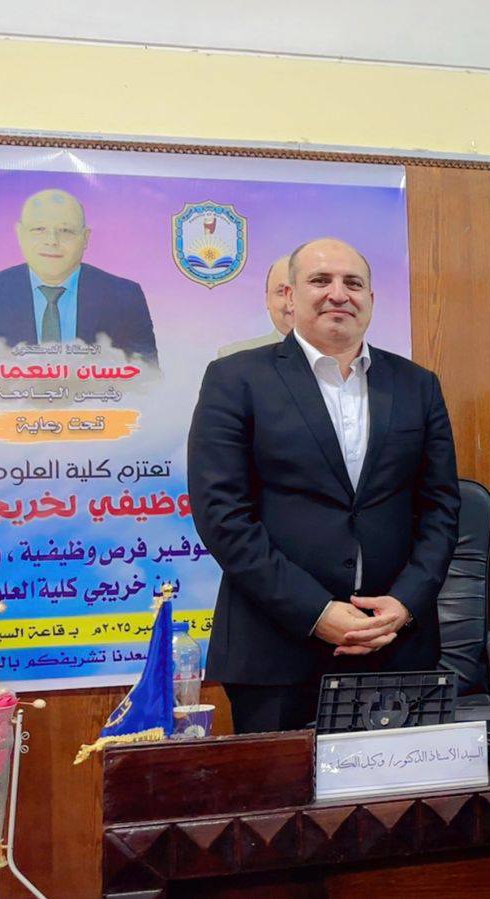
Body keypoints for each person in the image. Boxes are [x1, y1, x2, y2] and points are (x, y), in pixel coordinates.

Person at [187, 237, 460, 733]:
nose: (338, 293)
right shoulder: (236, 378)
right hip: (275, 649)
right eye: (320, 280)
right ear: (290, 296)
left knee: (397, 785)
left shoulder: (418, 385)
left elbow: (440, 507)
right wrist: (315, 612)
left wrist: (404, 604)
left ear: (371, 299)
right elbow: (221, 514)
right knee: (281, 786)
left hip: (394, 646)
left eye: (353, 283)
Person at [0, 188, 159, 366]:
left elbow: (147, 381)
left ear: (85, 238)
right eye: (39, 229)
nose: (52, 241)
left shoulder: (125, 297)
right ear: (20, 234)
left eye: (65, 230)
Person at [217, 255, 294, 357]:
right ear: (267, 299)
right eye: (281, 292)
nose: (293, 301)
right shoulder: (233, 358)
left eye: (302, 291)